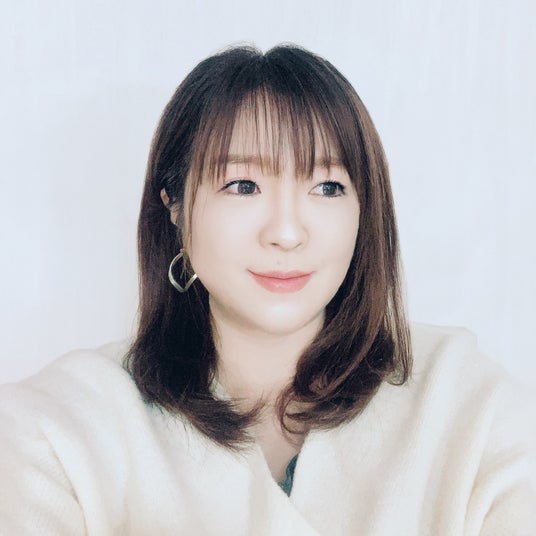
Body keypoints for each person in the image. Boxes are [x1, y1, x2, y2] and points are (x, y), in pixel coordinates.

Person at [0, 44, 534, 535]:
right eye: (243, 186)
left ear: (363, 210)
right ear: (175, 206)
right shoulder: (61, 428)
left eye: (327, 186)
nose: (286, 232)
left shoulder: (469, 405)